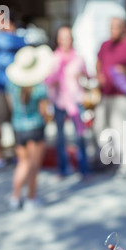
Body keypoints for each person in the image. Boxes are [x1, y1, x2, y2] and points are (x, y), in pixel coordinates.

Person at [5, 45, 53, 211]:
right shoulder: (39, 87)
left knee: (22, 163)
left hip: (18, 127)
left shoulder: (11, 85)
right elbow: (44, 110)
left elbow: (11, 105)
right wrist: (49, 119)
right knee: (33, 165)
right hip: (35, 127)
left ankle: (15, 195)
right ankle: (31, 198)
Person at [94, 16, 126, 177]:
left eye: (115, 27)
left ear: (123, 28)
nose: (112, 30)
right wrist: (99, 75)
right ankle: (108, 160)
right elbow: (98, 63)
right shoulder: (105, 45)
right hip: (105, 94)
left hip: (122, 97)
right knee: (100, 128)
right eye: (110, 27)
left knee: (122, 130)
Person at [45, 25, 91, 179]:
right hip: (59, 102)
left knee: (80, 136)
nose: (65, 40)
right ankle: (63, 169)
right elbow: (46, 80)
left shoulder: (79, 58)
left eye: (68, 37)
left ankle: (84, 169)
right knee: (60, 138)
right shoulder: (53, 58)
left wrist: (82, 79)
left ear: (72, 39)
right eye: (62, 37)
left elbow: (88, 78)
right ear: (58, 39)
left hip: (76, 102)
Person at [0, 13, 26, 168]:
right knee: (1, 122)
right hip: (1, 87)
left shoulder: (3, 39)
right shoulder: (14, 39)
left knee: (12, 122)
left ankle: (10, 154)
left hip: (12, 87)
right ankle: (8, 154)